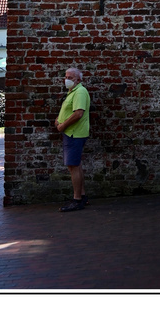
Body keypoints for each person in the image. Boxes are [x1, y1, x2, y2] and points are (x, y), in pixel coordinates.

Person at [54, 67, 90, 212]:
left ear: (78, 80)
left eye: (70, 77)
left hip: (74, 133)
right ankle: (82, 195)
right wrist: (59, 120)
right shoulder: (73, 92)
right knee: (76, 165)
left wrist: (62, 125)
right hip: (72, 133)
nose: (67, 79)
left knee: (73, 166)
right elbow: (69, 111)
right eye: (66, 76)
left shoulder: (80, 92)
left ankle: (77, 199)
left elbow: (78, 113)